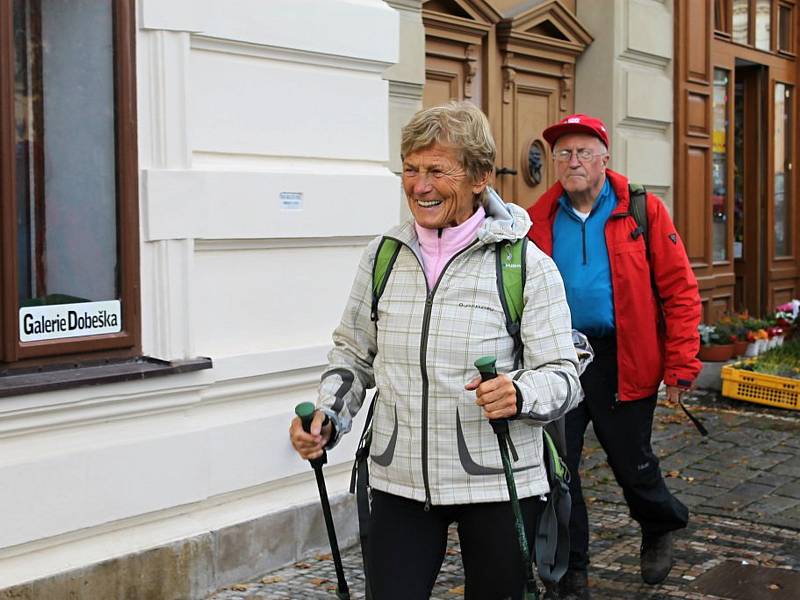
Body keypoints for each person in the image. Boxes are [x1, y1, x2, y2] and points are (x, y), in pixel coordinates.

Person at [289, 101, 582, 600]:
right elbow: (353, 355)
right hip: (397, 476)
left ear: (479, 177)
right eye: (410, 169)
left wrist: (519, 392)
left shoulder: (525, 265)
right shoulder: (384, 255)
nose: (419, 186)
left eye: (436, 171)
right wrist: (328, 417)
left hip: (497, 483)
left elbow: (563, 376)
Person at [527, 114, 701, 600]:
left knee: (633, 463)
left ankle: (658, 522)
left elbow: (680, 291)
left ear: (605, 158)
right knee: (560, 470)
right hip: (561, 360)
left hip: (624, 358)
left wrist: (681, 365)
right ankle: (571, 571)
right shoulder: (537, 218)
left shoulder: (641, 210)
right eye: (563, 153)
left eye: (583, 151)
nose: (573, 160)